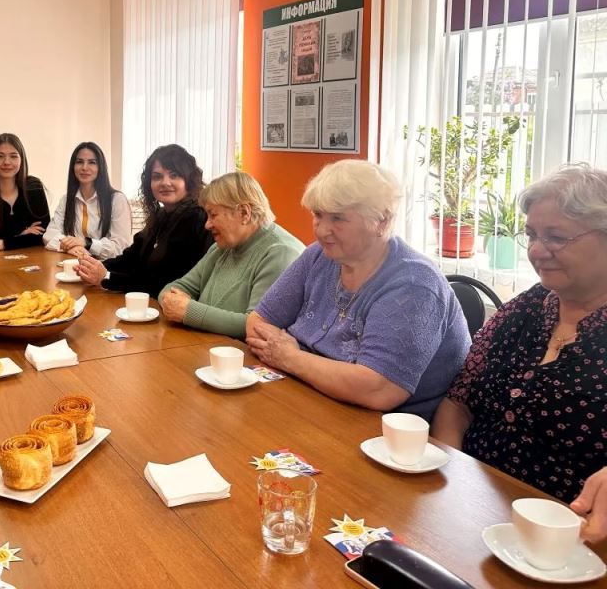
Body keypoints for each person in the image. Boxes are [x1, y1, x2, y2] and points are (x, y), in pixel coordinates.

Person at [432, 163, 607, 542]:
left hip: (566, 540)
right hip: (469, 511)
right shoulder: (526, 307)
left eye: (557, 237)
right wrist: (451, 480)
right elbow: (458, 402)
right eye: (531, 235)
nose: (537, 251)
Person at [246, 160, 470, 421]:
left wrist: (292, 358)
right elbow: (258, 321)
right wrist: (311, 367)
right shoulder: (319, 256)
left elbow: (379, 389)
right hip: (313, 402)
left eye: (337, 218)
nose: (321, 230)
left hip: (385, 431)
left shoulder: (414, 283)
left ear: (382, 221)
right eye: (318, 215)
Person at [159, 171, 304, 338]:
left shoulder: (280, 253)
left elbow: (258, 327)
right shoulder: (223, 246)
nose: (207, 224)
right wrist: (173, 303)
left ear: (244, 213)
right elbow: (173, 288)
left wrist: (189, 311)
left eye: (213, 215)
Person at [76, 144, 213, 296]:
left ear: (189, 180)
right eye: (157, 177)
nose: (165, 182)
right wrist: (93, 266)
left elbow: (169, 282)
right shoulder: (161, 215)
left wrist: (107, 277)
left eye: (174, 175)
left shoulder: (197, 218)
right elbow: (131, 258)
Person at [43, 141, 132, 259]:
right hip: (74, 264)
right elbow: (49, 235)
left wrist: (87, 243)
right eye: (79, 162)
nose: (85, 167)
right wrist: (73, 247)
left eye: (92, 162)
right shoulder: (66, 200)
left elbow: (120, 247)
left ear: (100, 167)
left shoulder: (117, 200)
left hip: (107, 268)